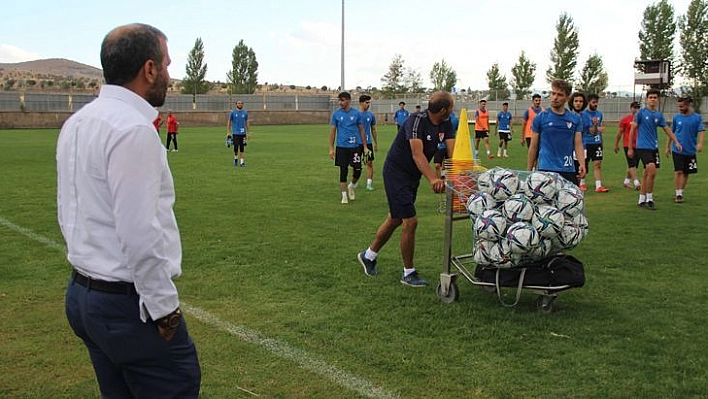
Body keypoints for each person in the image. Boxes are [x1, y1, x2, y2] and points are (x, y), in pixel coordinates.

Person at [56, 23, 201, 398]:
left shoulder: (78, 122)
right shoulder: (132, 130)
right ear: (148, 69)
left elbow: (67, 210)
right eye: (166, 65)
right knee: (177, 385)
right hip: (126, 305)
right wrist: (164, 309)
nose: (169, 75)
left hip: (83, 295)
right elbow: (140, 234)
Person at [357, 91, 455, 287]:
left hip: (412, 176)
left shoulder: (446, 123)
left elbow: (452, 153)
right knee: (410, 221)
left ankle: (368, 256)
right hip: (396, 172)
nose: (453, 110)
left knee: (395, 218)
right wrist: (433, 178)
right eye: (452, 106)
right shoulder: (416, 120)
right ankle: (408, 273)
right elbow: (417, 155)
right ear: (443, 109)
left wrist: (454, 177)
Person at [628, 88, 682, 210]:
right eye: (650, 97)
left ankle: (642, 200)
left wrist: (676, 142)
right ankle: (650, 199)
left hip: (654, 148)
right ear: (647, 99)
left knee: (648, 173)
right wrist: (631, 148)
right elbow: (632, 130)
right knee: (652, 170)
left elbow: (667, 129)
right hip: (642, 147)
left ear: (658, 100)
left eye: (655, 97)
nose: (653, 99)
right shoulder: (641, 113)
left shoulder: (658, 115)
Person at [527, 79, 586, 186]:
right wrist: (529, 168)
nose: (555, 97)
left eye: (560, 95)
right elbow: (533, 146)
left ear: (567, 98)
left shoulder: (575, 119)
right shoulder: (540, 118)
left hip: (568, 170)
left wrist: (582, 163)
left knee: (571, 202)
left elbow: (578, 144)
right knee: (546, 203)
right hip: (546, 170)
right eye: (553, 93)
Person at [329, 92, 369, 204]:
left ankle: (351, 185)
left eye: (342, 100)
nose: (340, 102)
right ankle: (344, 196)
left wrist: (365, 146)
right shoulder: (336, 114)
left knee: (358, 170)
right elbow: (333, 132)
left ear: (348, 100)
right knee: (343, 171)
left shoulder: (356, 114)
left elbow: (361, 130)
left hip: (354, 147)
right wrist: (331, 148)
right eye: (339, 100)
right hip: (341, 147)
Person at [666, 97, 704, 203]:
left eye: (682, 106)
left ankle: (681, 191)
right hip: (677, 149)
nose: (680, 108)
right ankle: (678, 193)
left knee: (686, 172)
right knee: (678, 171)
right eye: (678, 106)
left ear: (688, 105)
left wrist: (700, 143)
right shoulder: (676, 118)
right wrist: (667, 147)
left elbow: (701, 131)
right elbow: (671, 133)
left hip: (690, 150)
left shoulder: (697, 118)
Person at [580, 94, 609, 192]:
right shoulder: (583, 114)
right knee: (584, 164)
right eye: (593, 102)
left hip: (597, 143)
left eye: (597, 102)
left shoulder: (599, 114)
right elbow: (592, 131)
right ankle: (582, 183)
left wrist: (602, 142)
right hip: (586, 143)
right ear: (588, 102)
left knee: (597, 164)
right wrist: (596, 126)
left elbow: (598, 132)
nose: (595, 104)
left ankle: (598, 186)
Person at [613, 101, 642, 190]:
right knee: (632, 164)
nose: (636, 110)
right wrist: (616, 144)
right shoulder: (625, 120)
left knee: (633, 165)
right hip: (627, 144)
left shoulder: (641, 119)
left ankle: (626, 181)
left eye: (638, 108)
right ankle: (637, 183)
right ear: (631, 108)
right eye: (634, 108)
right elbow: (619, 132)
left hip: (639, 144)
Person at [358, 94, 378, 191]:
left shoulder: (371, 115)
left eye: (369, 102)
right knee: (356, 163)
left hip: (368, 143)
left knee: (369, 163)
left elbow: (373, 129)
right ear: (361, 103)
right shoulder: (355, 115)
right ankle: (355, 181)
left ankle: (369, 184)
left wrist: (375, 142)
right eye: (366, 102)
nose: (368, 104)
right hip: (357, 143)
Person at [434, 110, 459, 179]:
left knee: (449, 165)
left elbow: (457, 129)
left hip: (450, 144)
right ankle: (439, 183)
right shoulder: (439, 116)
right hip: (440, 145)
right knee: (437, 165)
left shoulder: (454, 118)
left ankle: (448, 182)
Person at [227, 100, 250, 167]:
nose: (240, 104)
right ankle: (236, 158)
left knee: (242, 148)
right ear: (236, 104)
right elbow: (229, 122)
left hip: (243, 133)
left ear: (243, 104)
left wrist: (248, 133)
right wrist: (228, 132)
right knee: (236, 148)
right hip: (235, 133)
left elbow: (247, 122)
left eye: (241, 103)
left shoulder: (245, 113)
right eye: (238, 103)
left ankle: (242, 163)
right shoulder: (233, 112)